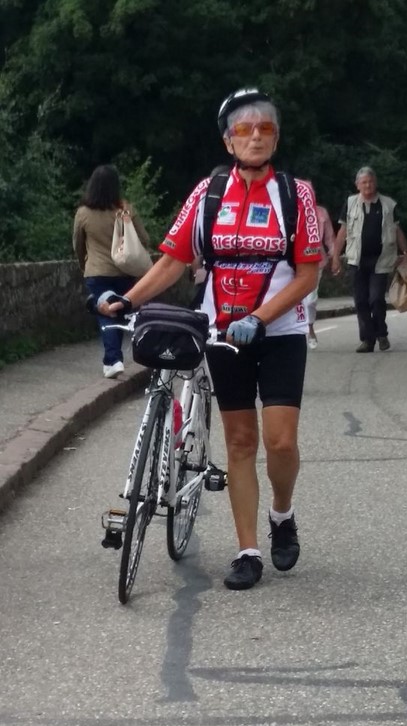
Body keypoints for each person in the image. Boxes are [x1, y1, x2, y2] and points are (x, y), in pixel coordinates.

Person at [99, 87, 321, 590]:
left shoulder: (296, 195)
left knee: (281, 442)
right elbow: (173, 261)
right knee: (240, 441)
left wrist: (260, 317)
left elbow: (308, 275)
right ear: (228, 141)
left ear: (276, 137)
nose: (256, 136)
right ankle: (248, 551)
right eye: (244, 128)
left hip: (279, 331)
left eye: (266, 127)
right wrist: (126, 301)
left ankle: (282, 513)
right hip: (223, 332)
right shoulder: (208, 194)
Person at [73, 164, 150, 378]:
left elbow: (78, 244)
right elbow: (144, 239)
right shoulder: (125, 209)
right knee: (120, 313)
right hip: (124, 273)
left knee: (106, 313)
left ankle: (113, 360)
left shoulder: (83, 213)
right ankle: (126, 357)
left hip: (97, 273)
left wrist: (84, 265)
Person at [332, 167, 407, 352]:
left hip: (381, 259)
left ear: (376, 183)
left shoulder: (388, 205)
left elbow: (397, 230)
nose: (368, 185)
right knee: (361, 301)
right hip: (357, 259)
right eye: (364, 182)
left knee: (376, 299)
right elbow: (342, 232)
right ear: (357, 185)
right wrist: (335, 257)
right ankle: (368, 339)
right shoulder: (350, 203)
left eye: (371, 182)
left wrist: (406, 254)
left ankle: (381, 333)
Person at [304, 203, 336, 349]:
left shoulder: (321, 212)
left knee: (310, 300)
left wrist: (334, 257)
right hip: (292, 261)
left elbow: (330, 237)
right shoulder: (289, 208)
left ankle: (310, 328)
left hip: (316, 260)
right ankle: (296, 333)